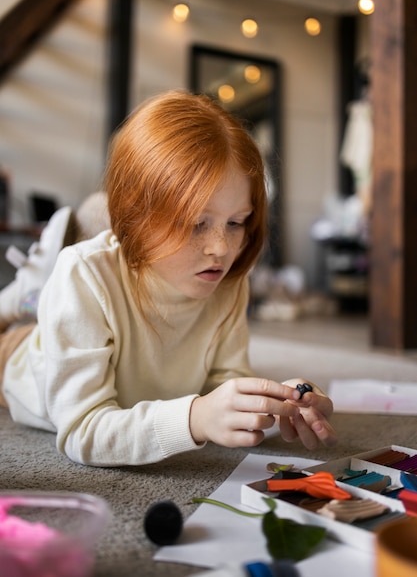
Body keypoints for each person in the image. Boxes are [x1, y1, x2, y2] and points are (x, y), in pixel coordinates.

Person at [0, 90, 337, 467]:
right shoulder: (85, 275)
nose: (221, 249)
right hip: (21, 363)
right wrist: (194, 419)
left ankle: (33, 299)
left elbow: (224, 384)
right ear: (135, 215)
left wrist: (279, 402)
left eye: (236, 222)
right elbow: (83, 430)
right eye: (196, 224)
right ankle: (24, 298)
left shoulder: (228, 283)